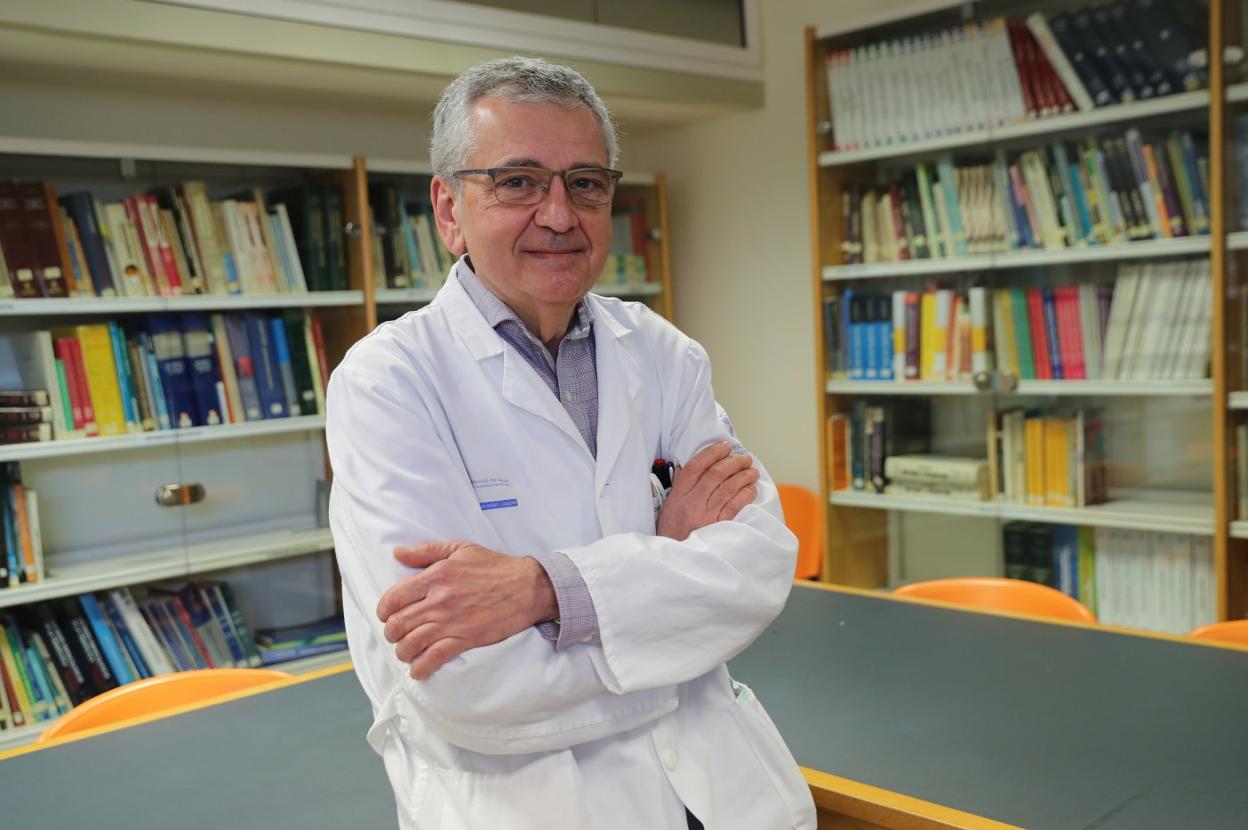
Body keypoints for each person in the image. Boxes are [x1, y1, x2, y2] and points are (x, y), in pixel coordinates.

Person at [326, 56, 817, 830]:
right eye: (517, 181)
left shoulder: (661, 353)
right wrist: (669, 593)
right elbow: (463, 688)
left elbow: (758, 570)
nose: (559, 214)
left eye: (585, 182)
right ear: (449, 208)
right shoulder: (388, 381)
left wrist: (541, 591)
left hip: (720, 796)